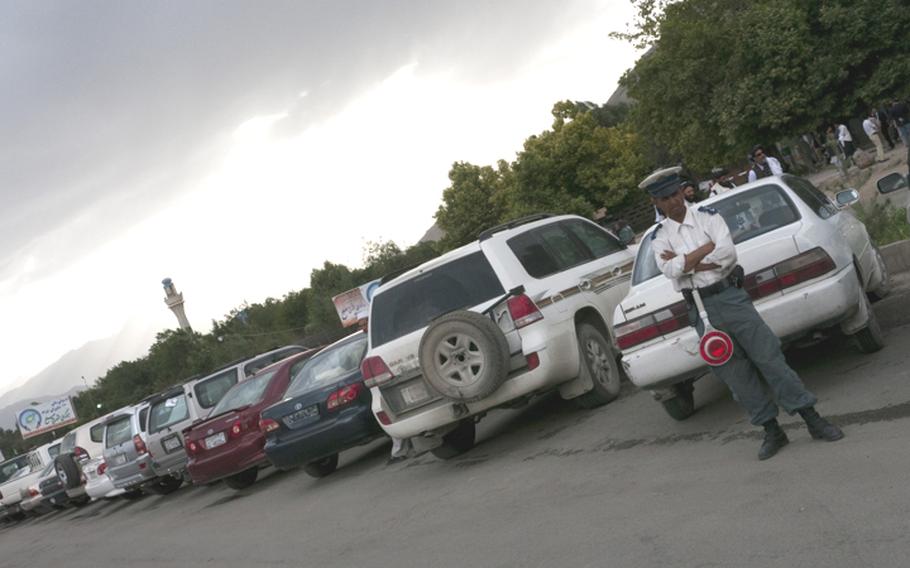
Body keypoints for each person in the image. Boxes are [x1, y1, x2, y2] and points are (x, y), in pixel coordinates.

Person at [640, 167, 844, 460]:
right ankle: (772, 430)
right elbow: (669, 269)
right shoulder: (659, 238)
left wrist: (688, 262)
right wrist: (704, 251)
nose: (673, 202)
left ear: (681, 191)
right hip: (700, 307)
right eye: (664, 198)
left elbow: (726, 256)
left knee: (769, 358)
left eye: (674, 194)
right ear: (656, 203)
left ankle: (811, 418)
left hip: (730, 296)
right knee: (735, 373)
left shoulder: (709, 217)